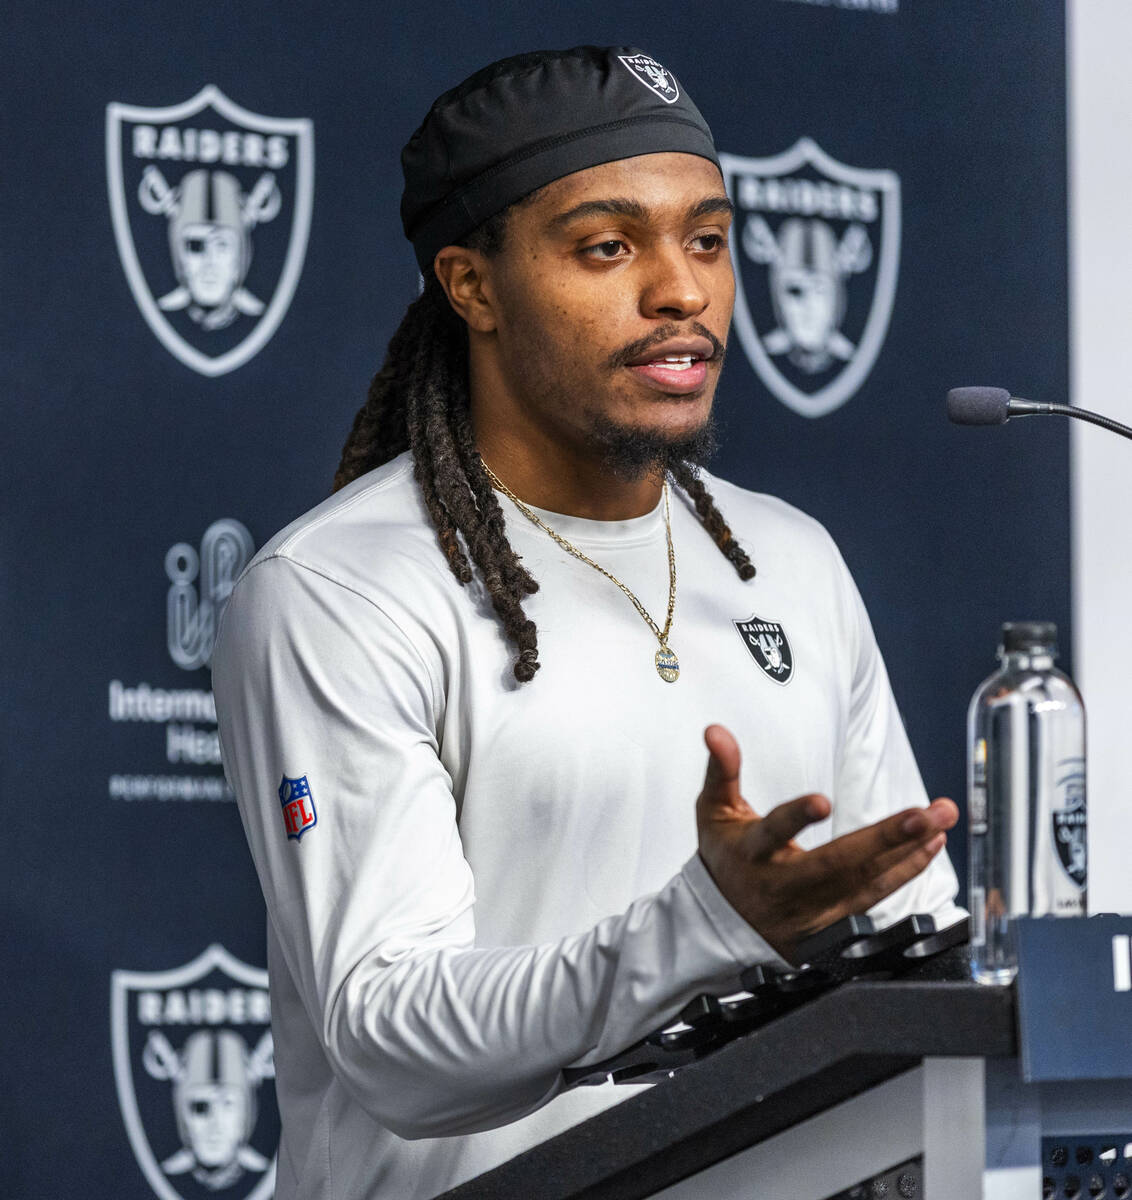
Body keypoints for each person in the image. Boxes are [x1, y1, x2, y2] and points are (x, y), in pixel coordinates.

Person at [212, 45, 961, 1200]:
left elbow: (917, 949)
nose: (683, 292)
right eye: (608, 248)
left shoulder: (791, 560)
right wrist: (704, 925)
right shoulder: (342, 588)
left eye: (706, 240)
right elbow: (388, 1036)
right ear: (471, 287)